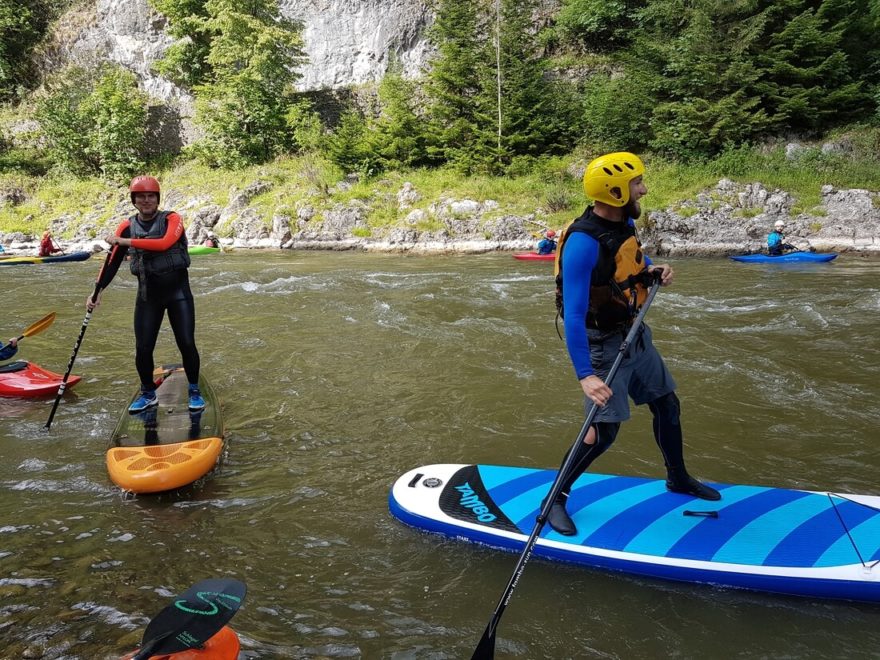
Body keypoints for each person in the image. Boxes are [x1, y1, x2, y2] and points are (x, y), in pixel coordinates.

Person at [548, 151, 719, 536]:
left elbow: (626, 270)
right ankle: (555, 498)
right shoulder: (582, 242)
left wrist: (652, 270)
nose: (643, 187)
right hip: (603, 346)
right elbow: (574, 316)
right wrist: (585, 376)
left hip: (634, 332)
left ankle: (677, 477)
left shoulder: (623, 221)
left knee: (666, 403)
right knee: (602, 433)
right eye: (636, 182)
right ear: (615, 190)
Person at [86, 175, 205, 413]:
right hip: (147, 296)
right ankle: (148, 393)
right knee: (143, 348)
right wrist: (97, 290)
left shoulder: (172, 219)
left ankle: (193, 389)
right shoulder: (127, 226)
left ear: (157, 198)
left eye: (151, 196)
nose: (146, 200)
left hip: (178, 293)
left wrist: (122, 240)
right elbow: (111, 262)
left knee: (186, 343)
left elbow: (163, 244)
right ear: (134, 200)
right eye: (141, 196)